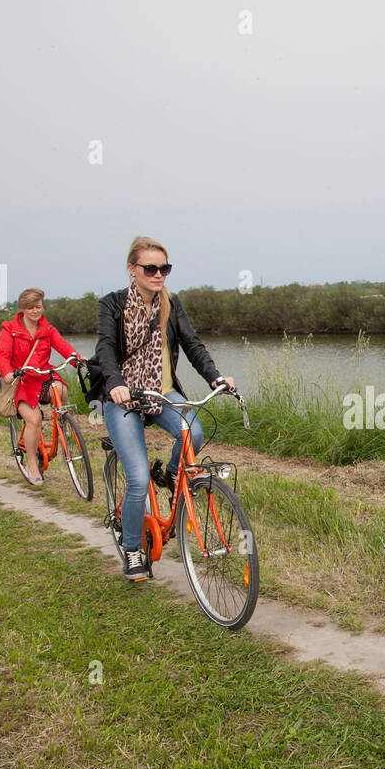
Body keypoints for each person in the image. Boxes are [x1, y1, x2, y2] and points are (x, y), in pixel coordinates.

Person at [95, 236, 235, 582]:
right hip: (124, 397)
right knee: (139, 479)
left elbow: (192, 343)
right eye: (151, 268)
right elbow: (106, 347)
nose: (159, 274)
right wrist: (114, 383)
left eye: (164, 268)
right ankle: (132, 549)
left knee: (195, 431)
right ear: (133, 269)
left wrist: (215, 377)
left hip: (162, 393)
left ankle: (172, 476)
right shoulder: (112, 304)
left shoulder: (171, 303)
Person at [0, 288, 82, 484]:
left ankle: (60, 423)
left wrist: (78, 360)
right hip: (21, 380)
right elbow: (2, 354)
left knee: (60, 389)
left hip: (42, 376)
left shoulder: (47, 330)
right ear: (23, 309)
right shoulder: (10, 329)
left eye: (38, 307)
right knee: (34, 420)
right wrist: (7, 372)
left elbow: (64, 347)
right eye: (30, 308)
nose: (35, 311)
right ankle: (32, 463)